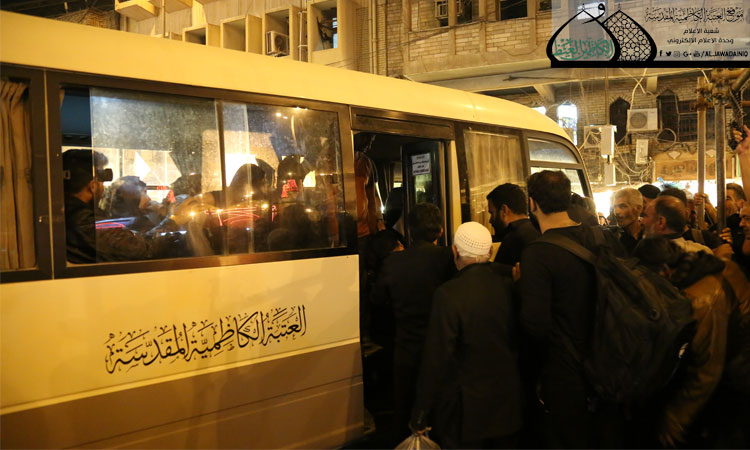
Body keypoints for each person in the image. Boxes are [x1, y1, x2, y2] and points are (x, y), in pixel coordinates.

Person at [520, 170, 623, 448]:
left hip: (566, 371)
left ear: (532, 203)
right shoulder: (601, 238)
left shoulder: (537, 254)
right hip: (610, 361)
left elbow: (535, 324)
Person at [410, 222, 521, 449]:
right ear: (489, 252)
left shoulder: (448, 294)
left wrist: (420, 412)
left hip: (466, 410)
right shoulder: (510, 286)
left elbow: (436, 359)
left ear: (454, 251)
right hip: (507, 403)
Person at [633, 238, 748, 448]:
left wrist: (676, 418)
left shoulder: (704, 300)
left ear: (665, 270)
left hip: (737, 377)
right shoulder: (700, 266)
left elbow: (708, 369)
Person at [371, 203, 454, 442]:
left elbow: (377, 299)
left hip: (406, 349)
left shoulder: (393, 263)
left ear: (409, 230)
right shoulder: (447, 258)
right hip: (440, 350)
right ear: (440, 231)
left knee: (405, 408)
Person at [486, 183, 539, 265]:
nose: (490, 220)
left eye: (492, 213)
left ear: (504, 210)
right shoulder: (538, 230)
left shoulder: (513, 239)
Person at [642, 195, 714, 255]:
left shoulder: (648, 256)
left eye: (645, 216)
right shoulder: (703, 253)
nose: (642, 221)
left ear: (661, 222)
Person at [611, 187, 644, 254]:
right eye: (614, 207)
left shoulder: (651, 236)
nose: (616, 212)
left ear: (638, 208)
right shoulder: (613, 239)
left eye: (622, 206)